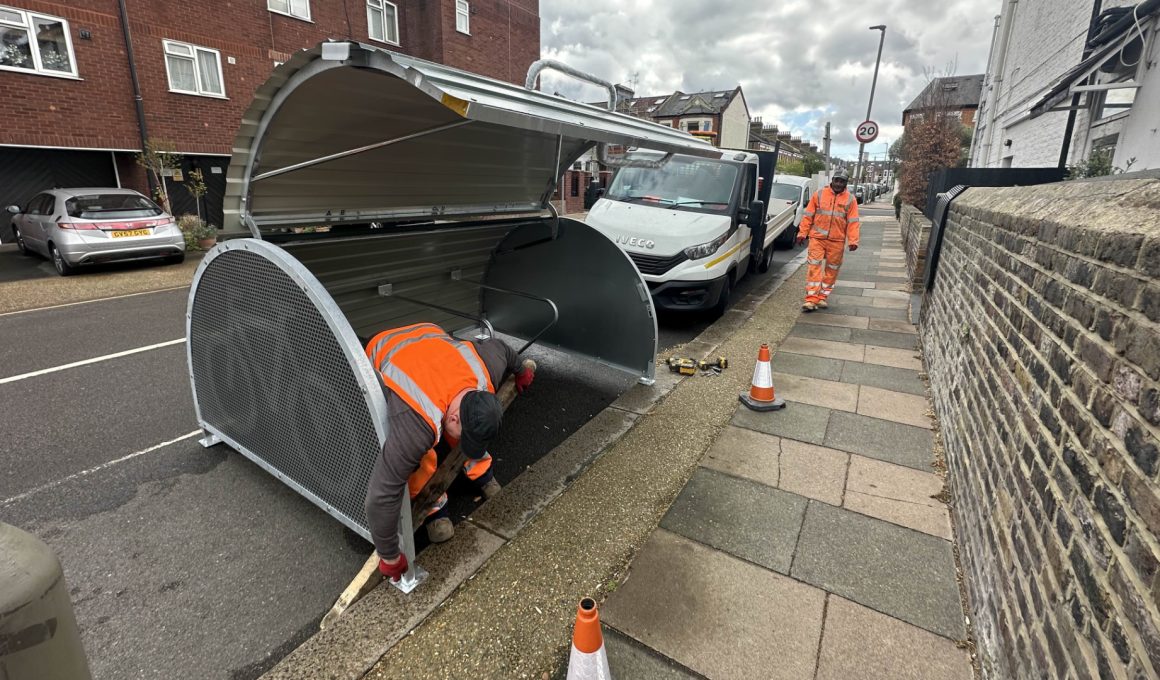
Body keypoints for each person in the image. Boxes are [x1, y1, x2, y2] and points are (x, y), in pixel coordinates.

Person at [363, 322, 535, 582]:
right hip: (383, 346)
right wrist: (390, 556)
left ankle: (482, 473)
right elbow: (381, 494)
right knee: (419, 460)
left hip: (427, 330)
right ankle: (434, 508)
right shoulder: (416, 422)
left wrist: (521, 371)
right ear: (453, 418)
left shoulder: (486, 368)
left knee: (471, 428)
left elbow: (503, 349)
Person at [795, 169, 860, 311]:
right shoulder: (819, 194)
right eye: (837, 180)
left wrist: (853, 240)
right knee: (814, 267)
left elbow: (853, 222)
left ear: (846, 183)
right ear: (832, 180)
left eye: (842, 181)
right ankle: (811, 299)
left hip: (837, 240)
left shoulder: (850, 200)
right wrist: (802, 233)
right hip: (817, 238)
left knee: (832, 269)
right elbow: (808, 216)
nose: (838, 184)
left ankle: (822, 297)